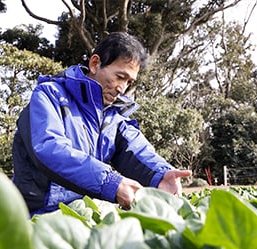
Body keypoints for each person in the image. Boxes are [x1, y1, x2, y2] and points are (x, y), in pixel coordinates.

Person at [12, 31, 192, 215]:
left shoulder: (115, 116)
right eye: (120, 77)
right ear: (95, 64)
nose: (122, 88)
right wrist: (111, 183)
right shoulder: (49, 95)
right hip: (34, 216)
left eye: (129, 82)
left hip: (83, 215)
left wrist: (161, 176)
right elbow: (49, 148)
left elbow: (137, 151)